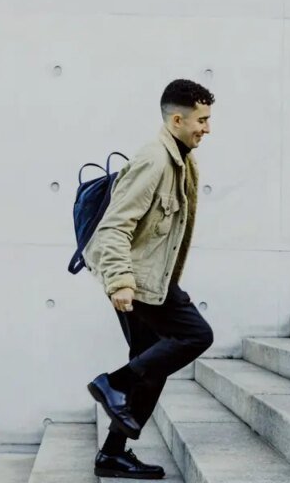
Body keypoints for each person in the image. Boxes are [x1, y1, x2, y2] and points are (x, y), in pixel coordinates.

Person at [83, 79, 216, 479]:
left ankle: (112, 454)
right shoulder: (154, 160)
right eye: (201, 120)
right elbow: (114, 226)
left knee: (150, 362)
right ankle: (114, 383)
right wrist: (121, 281)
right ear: (177, 120)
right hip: (137, 281)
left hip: (151, 279)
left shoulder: (181, 159)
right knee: (196, 335)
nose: (207, 129)